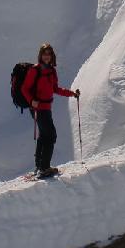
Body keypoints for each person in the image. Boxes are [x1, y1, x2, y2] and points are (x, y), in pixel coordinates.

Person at [21, 43, 80, 178]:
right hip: (37, 108)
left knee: (44, 135)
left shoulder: (52, 71)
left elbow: (55, 89)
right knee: (51, 135)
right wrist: (31, 101)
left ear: (52, 56)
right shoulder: (35, 70)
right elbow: (24, 88)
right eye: (44, 54)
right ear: (40, 55)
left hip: (46, 108)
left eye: (49, 54)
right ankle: (44, 167)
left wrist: (72, 93)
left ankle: (39, 165)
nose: (46, 56)